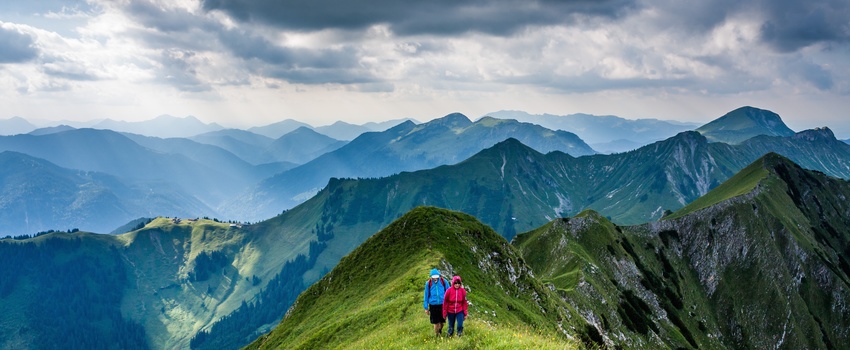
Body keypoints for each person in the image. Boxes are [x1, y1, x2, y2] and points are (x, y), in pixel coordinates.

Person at [423, 268, 449, 337]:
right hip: (433, 306)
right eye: (433, 277)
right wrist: (426, 308)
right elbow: (426, 295)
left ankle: (440, 330)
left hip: (442, 305)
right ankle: (437, 335)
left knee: (442, 322)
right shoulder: (428, 284)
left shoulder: (444, 281)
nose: (435, 279)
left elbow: (449, 292)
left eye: (436, 277)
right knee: (436, 323)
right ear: (431, 277)